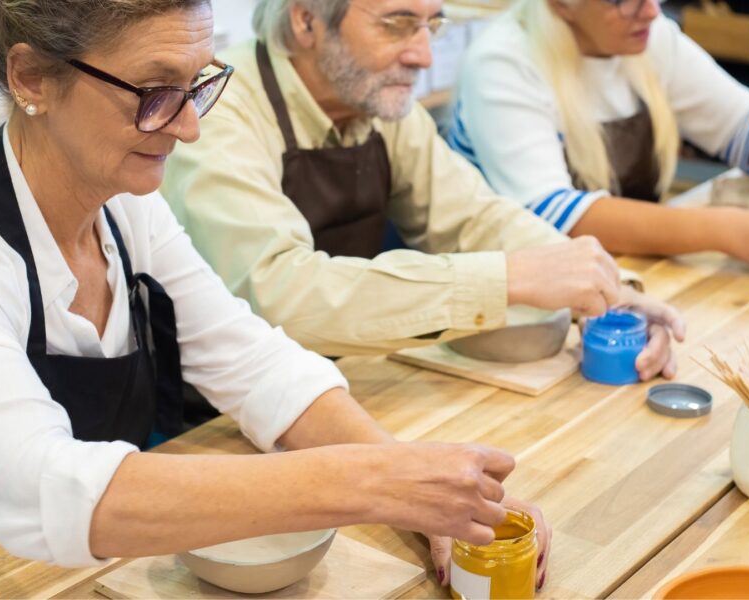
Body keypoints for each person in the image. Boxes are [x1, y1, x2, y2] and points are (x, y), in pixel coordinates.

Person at [0, 0, 551, 585]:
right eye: (155, 92)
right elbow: (37, 489)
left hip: (96, 556)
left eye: (197, 85)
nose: (190, 127)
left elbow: (255, 365)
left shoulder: (124, 207)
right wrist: (368, 482)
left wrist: (420, 488)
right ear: (33, 77)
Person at [161, 0, 685, 387]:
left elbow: (472, 218)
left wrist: (604, 288)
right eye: (398, 25)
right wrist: (510, 278)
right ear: (305, 20)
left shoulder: (377, 102)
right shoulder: (221, 110)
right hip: (216, 417)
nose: (423, 56)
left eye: (431, 25)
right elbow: (279, 294)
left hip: (342, 384)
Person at [448, 0, 749, 275]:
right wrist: (723, 230)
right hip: (506, 297)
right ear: (562, 5)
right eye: (621, 2)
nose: (649, 11)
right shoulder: (504, 63)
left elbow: (745, 126)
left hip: (614, 272)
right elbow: (557, 217)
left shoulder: (651, 37)